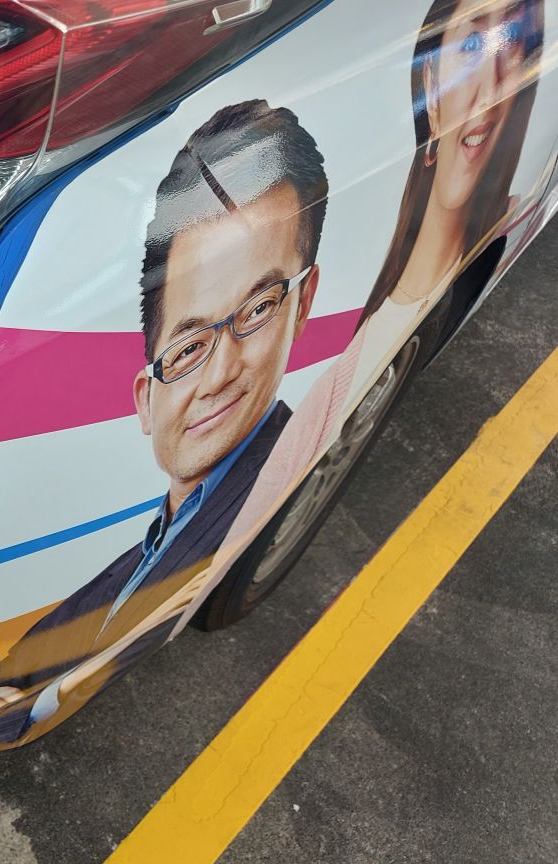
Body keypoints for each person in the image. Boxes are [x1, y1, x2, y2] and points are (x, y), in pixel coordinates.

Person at [0, 100, 329, 747]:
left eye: (258, 308)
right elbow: (21, 676)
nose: (222, 371)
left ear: (304, 301)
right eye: (189, 346)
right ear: (146, 400)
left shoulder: (271, 480)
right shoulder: (137, 553)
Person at [214, 0, 545, 559]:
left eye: (513, 43)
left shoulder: (519, 214)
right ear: (429, 86)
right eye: (470, 45)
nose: (490, 89)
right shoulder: (330, 385)